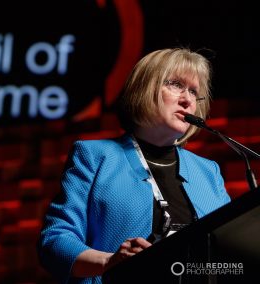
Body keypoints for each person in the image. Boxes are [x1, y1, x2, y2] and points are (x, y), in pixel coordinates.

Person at [37, 48, 231, 283]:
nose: (187, 99)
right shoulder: (95, 156)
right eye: (176, 85)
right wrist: (108, 263)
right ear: (145, 88)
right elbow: (55, 241)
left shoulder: (208, 172)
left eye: (193, 91)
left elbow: (228, 251)